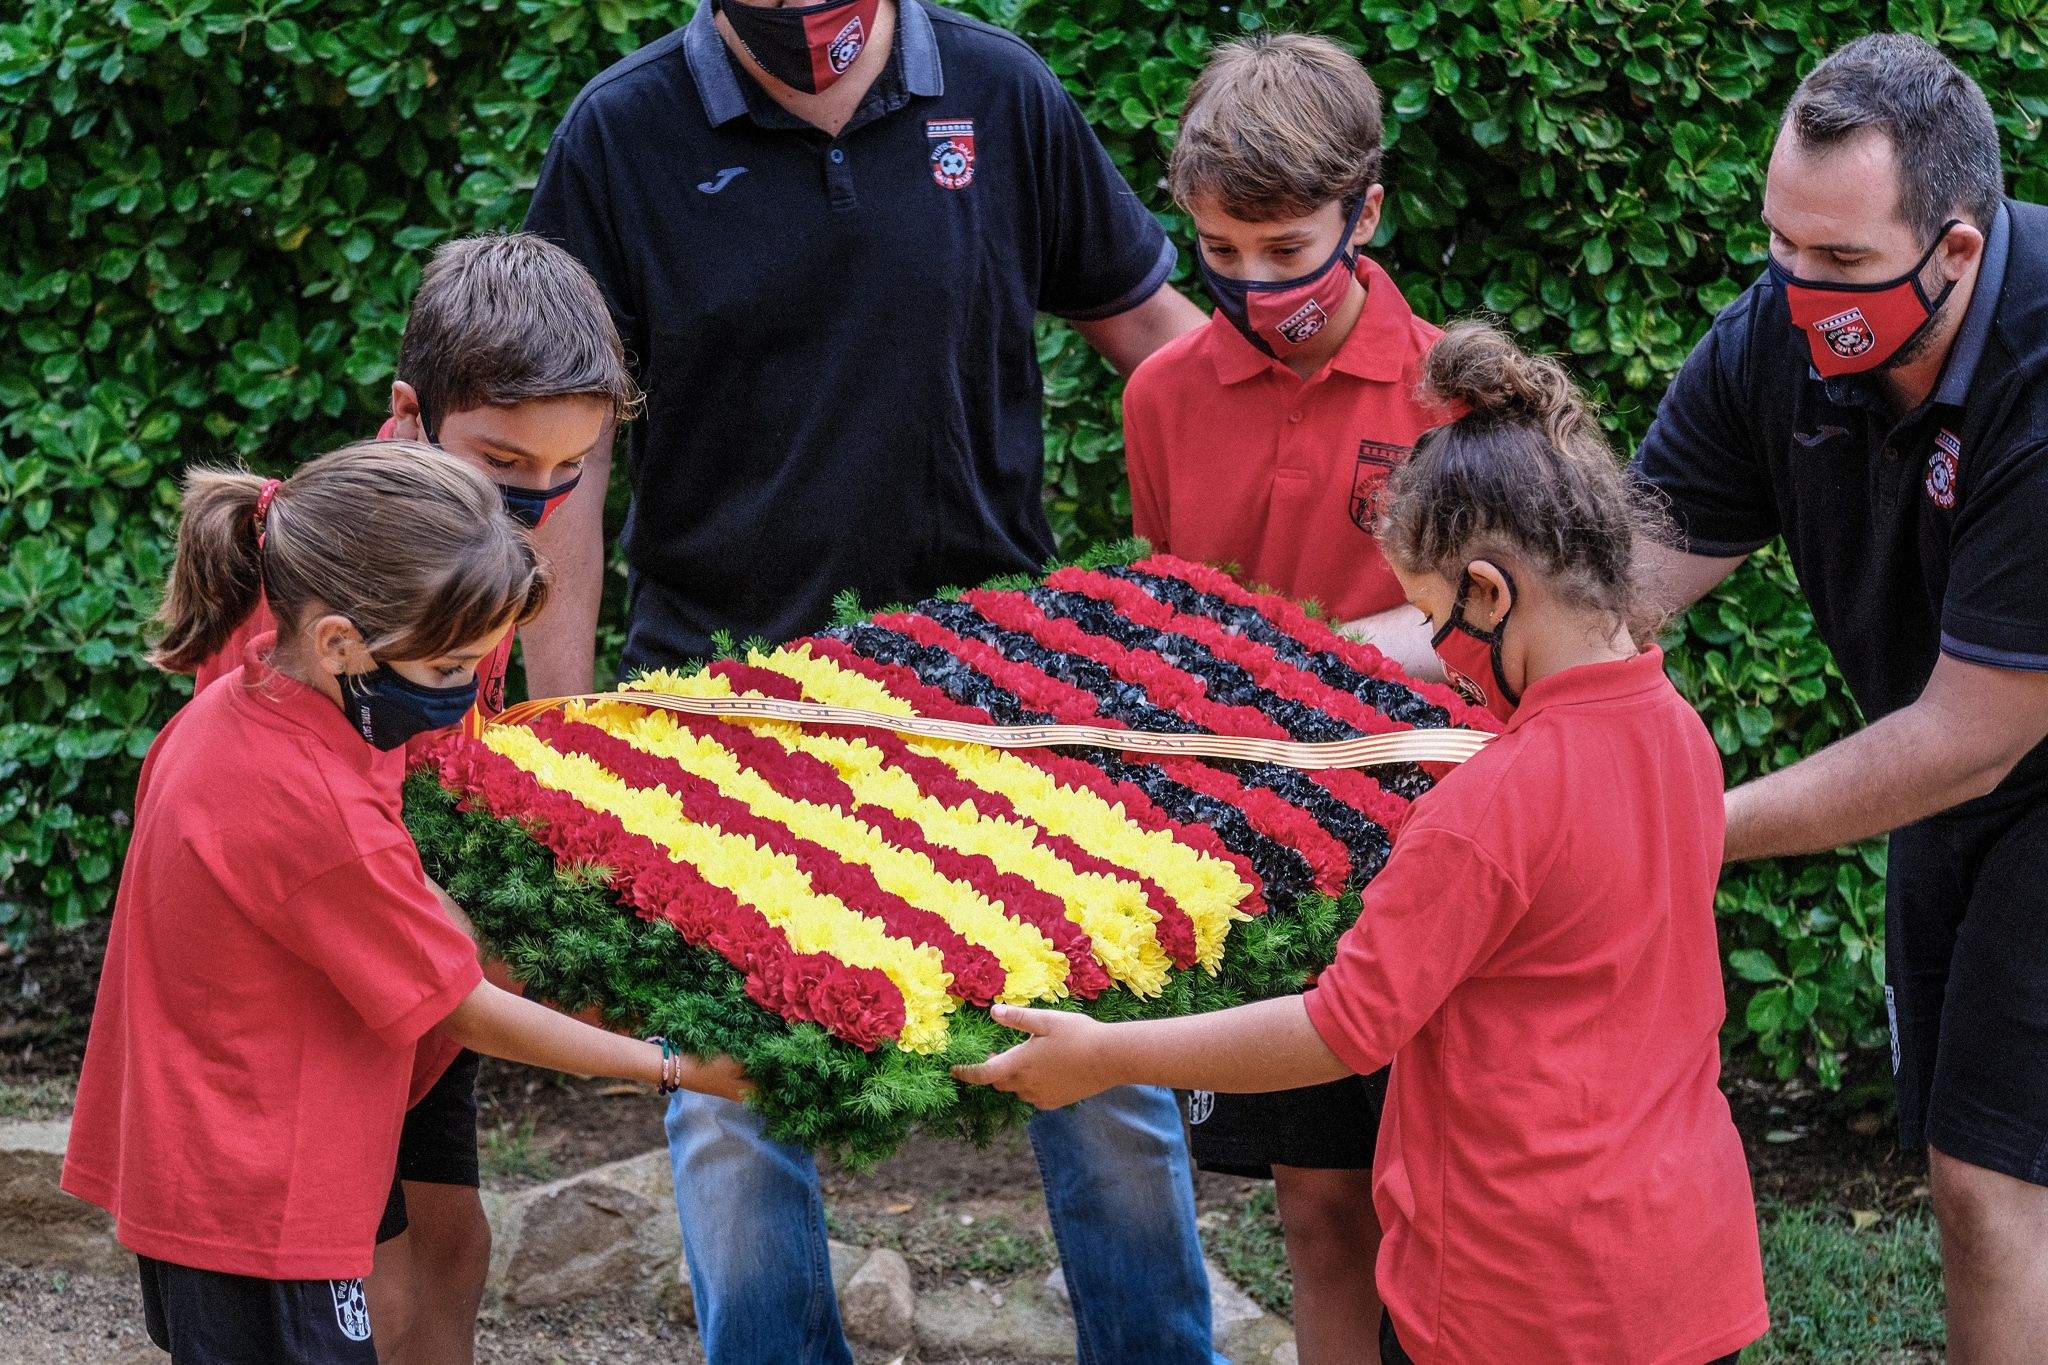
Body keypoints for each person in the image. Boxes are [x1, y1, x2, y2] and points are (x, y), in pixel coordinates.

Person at [521, 1, 1222, 1358]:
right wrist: (562, 733)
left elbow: (1161, 345)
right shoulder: (622, 131)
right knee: (737, 1114)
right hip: (720, 708)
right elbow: (565, 447)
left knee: (1108, 1077)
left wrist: (1338, 410)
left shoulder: (1003, 92)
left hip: (991, 693)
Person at [960, 323, 1771, 1365]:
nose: (1439, 658)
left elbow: (1340, 1029)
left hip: (1517, 1298)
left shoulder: (1491, 805)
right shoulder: (1678, 734)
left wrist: (1107, 1054)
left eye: (1434, 620)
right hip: (1682, 1266)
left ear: (1489, 591)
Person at [63, 443, 747, 1365]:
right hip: (264, 1196)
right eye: (445, 669)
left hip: (212, 1173)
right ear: (340, 640)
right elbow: (462, 1003)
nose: (465, 691)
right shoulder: (312, 800)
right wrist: (673, 1064)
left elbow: (415, 911)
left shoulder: (243, 708)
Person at [1628, 34, 2048, 1362]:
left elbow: (1972, 734)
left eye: (1845, 267)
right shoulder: (1775, 331)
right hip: (1965, 773)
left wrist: (1670, 827)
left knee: (1992, 1184)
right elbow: (1611, 585)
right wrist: (1347, 661)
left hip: (1999, 749)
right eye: (1781, 248)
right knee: (1975, 1166)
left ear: (1960, 251)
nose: (1800, 294)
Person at [177, 231, 640, 1365]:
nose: (537, 498)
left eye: (566, 469)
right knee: (365, 1265)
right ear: (409, 411)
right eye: (506, 464)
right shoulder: (337, 573)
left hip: (419, 950)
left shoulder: (462, 541)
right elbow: (293, 822)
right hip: (345, 989)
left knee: (451, 1239)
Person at [1118, 32, 1447, 1359]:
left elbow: (1511, 630)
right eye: (1221, 253)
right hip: (1262, 851)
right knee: (1316, 1203)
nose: (1254, 286)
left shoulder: (1457, 395)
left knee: (1437, 1195)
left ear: (1365, 212)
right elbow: (1175, 604)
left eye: (1288, 247)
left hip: (1431, 841)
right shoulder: (1161, 393)